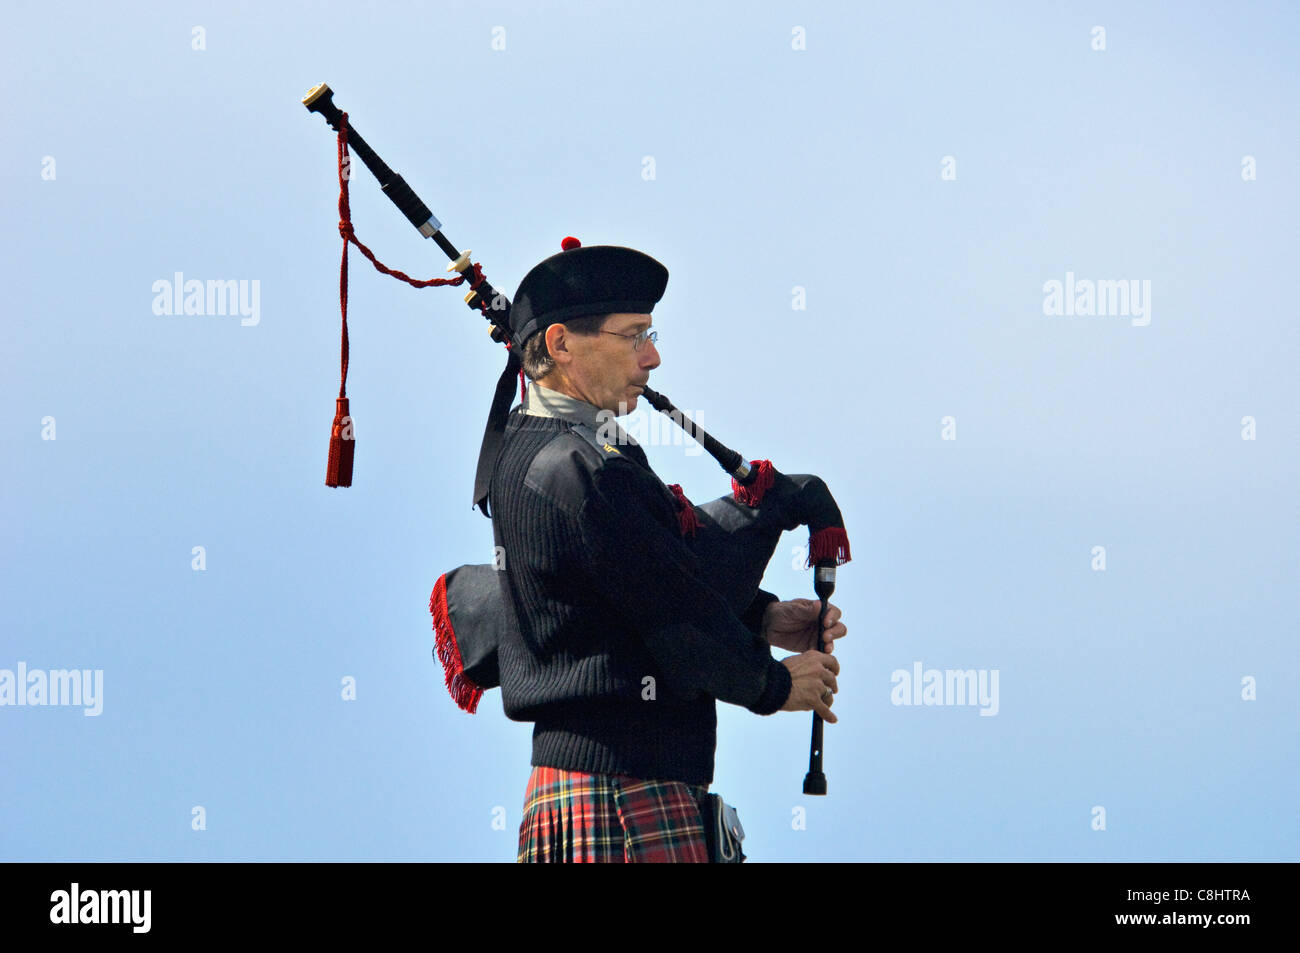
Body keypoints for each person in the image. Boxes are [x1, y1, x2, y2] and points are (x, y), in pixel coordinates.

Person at [484, 238, 846, 863]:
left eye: (651, 334)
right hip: (623, 799)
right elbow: (672, 613)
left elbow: (632, 579)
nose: (652, 357)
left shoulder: (539, 448)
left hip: (586, 795)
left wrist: (759, 616)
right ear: (562, 344)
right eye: (632, 336)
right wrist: (771, 683)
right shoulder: (583, 468)